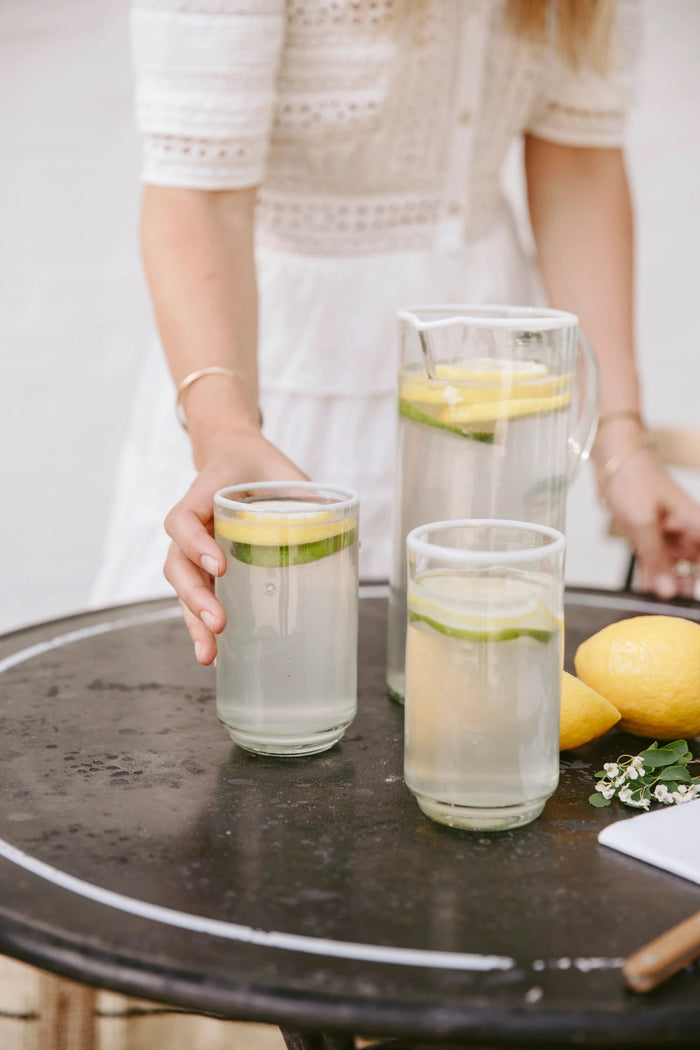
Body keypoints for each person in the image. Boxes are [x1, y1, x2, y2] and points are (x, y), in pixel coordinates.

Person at [91, 0, 700, 667]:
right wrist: (224, 431)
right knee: (243, 692)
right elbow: (199, 196)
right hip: (264, 379)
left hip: (485, 410)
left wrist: (619, 438)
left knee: (463, 694)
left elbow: (578, 162)